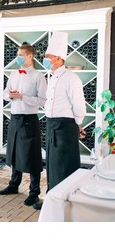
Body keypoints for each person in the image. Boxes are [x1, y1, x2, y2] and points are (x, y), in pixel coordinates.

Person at [33, 31, 86, 210]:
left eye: (48, 57)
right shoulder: (52, 77)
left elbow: (78, 105)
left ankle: (64, 201)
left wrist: (78, 123)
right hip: (52, 124)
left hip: (65, 126)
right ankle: (52, 198)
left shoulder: (71, 78)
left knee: (64, 164)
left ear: (57, 58)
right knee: (53, 164)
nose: (45, 59)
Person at [0, 44, 47, 206]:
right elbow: (5, 93)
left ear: (30, 56)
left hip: (29, 119)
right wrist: (10, 96)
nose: (18, 57)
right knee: (13, 153)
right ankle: (14, 185)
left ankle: (34, 192)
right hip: (15, 117)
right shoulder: (13, 74)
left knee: (31, 156)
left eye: (21, 55)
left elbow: (43, 101)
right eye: (18, 55)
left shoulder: (38, 76)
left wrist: (23, 96)